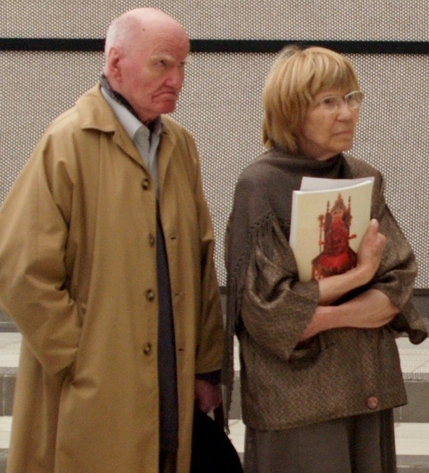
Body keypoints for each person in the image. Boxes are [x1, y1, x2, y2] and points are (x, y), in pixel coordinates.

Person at [0, 7, 225, 473]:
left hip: (170, 381)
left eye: (182, 66)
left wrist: (205, 367)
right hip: (93, 390)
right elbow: (19, 267)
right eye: (162, 64)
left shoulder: (180, 146)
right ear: (116, 63)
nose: (177, 80)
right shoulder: (68, 141)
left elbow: (202, 262)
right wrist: (79, 357)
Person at [224, 45, 427, 473]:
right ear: (292, 110)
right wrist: (361, 275)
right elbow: (271, 316)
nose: (347, 114)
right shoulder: (260, 186)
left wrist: (321, 315)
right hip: (296, 403)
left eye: (352, 98)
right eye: (329, 102)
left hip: (364, 386)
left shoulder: (363, 177)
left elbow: (397, 287)